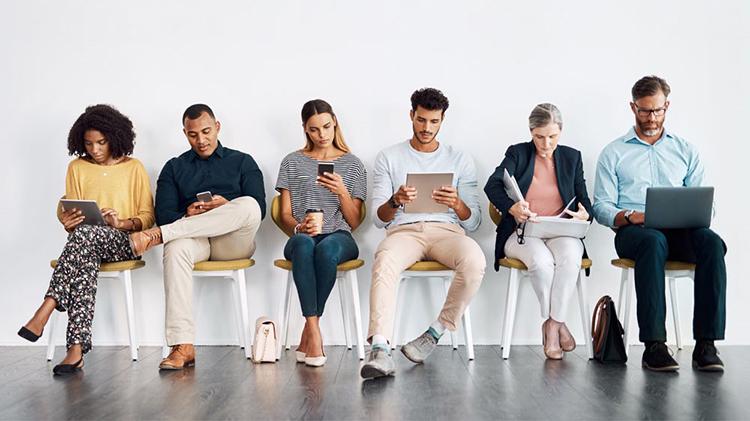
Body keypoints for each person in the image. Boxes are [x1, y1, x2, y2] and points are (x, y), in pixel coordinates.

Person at [593, 75, 727, 372]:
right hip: (635, 233)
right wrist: (630, 216)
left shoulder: (685, 150)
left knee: (712, 243)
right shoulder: (614, 152)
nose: (651, 118)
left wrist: (693, 213)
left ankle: (707, 344)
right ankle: (654, 346)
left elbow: (707, 204)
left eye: (657, 110)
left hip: (679, 232)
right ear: (632, 107)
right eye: (644, 111)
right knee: (653, 241)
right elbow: (600, 206)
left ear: (667, 106)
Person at [18, 104, 155, 375]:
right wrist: (69, 222)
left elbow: (148, 217)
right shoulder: (76, 167)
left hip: (124, 243)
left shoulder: (134, 167)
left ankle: (47, 307)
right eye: (89, 143)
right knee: (84, 252)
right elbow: (72, 211)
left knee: (84, 239)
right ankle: (75, 351)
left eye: (101, 142)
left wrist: (121, 223)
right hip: (85, 244)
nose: (95, 150)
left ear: (116, 138)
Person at [360, 88, 485, 379]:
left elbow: (474, 221)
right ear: (411, 116)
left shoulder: (460, 159)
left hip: (448, 231)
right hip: (404, 232)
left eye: (434, 122)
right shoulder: (389, 157)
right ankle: (380, 349)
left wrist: (457, 203)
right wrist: (395, 200)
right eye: (421, 120)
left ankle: (434, 333)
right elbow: (379, 219)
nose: (426, 128)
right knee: (385, 260)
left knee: (475, 261)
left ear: (442, 120)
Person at [129, 104, 266, 370]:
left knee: (248, 204)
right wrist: (187, 213)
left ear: (217, 127)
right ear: (185, 133)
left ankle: (156, 237)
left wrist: (227, 205)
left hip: (233, 241)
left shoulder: (243, 161)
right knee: (177, 246)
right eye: (193, 135)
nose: (201, 140)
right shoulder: (174, 167)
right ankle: (182, 346)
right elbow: (165, 214)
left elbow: (258, 210)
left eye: (206, 131)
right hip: (195, 240)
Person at [484, 103, 593, 360]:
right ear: (531, 131)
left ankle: (551, 325)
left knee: (569, 260)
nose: (546, 144)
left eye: (552, 136)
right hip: (524, 232)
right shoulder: (518, 153)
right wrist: (512, 208)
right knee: (542, 263)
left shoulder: (572, 157)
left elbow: (585, 201)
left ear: (561, 132)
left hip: (562, 229)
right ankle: (559, 322)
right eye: (539, 137)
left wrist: (585, 213)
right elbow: (492, 185)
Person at [275, 99, 367, 367]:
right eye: (314, 129)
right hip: (303, 235)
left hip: (338, 236)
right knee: (304, 245)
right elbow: (284, 214)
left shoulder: (352, 164)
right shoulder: (291, 162)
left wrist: (341, 191)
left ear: (335, 121)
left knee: (325, 249)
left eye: (326, 126)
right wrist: (298, 227)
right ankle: (314, 330)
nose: (322, 135)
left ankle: (309, 331)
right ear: (305, 129)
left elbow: (354, 221)